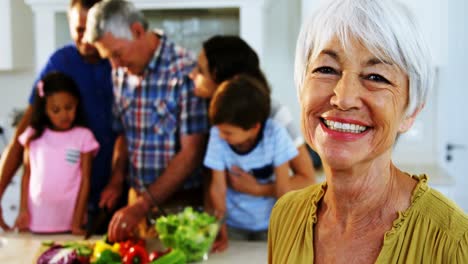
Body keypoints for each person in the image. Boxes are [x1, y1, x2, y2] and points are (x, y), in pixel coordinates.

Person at [268, 0, 468, 263]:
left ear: (410, 112)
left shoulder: (453, 242)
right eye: (326, 69)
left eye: (376, 77)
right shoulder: (285, 215)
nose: (343, 97)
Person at [84, 0, 209, 242]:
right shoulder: (120, 72)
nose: (115, 65)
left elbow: (192, 153)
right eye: (108, 58)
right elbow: (123, 132)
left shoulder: (184, 70)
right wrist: (117, 178)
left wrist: (141, 205)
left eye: (117, 54)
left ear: (137, 31)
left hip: (181, 205)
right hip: (136, 203)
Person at [0, 0, 117, 233]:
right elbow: (22, 133)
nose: (85, 38)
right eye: (79, 30)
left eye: (92, 29)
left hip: (113, 194)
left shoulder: (119, 61)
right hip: (62, 210)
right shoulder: (61, 62)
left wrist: (117, 180)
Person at [188, 35, 316, 200]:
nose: (192, 74)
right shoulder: (204, 107)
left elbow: (308, 180)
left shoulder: (274, 115)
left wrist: (259, 189)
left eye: (200, 70)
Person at [205, 74, 299, 251]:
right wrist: (220, 227)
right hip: (233, 225)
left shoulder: (276, 134)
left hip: (269, 225)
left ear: (254, 128)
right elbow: (217, 187)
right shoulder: (218, 135)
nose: (221, 136)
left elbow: (282, 188)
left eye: (229, 132)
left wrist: (285, 232)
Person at [14, 72, 99, 235]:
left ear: (77, 104)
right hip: (36, 221)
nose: (63, 115)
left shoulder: (83, 137)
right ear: (44, 110)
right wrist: (23, 210)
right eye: (55, 110)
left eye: (69, 107)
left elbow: (85, 180)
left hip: (69, 224)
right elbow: (27, 175)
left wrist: (77, 221)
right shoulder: (32, 136)